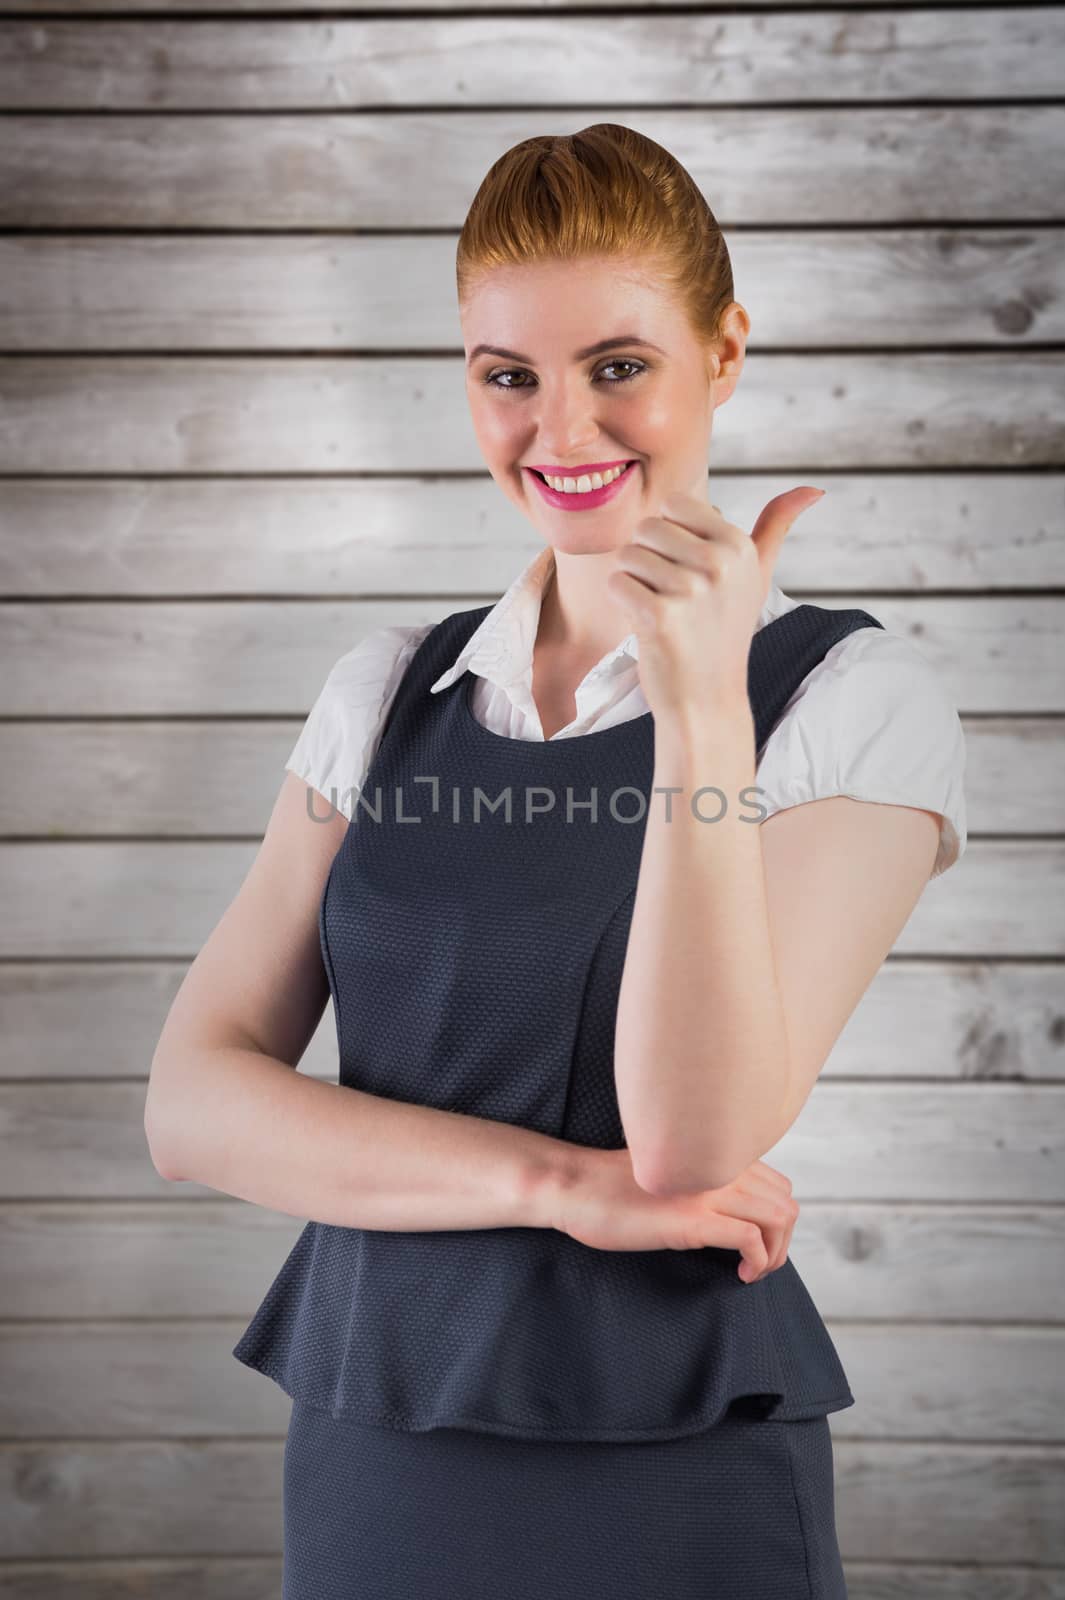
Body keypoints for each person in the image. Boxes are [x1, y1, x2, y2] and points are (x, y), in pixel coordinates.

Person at [145, 124, 967, 1598]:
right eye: (508, 376)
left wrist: (702, 707)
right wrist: (556, 1187)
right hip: (371, 1427)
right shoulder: (387, 691)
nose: (562, 432)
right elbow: (195, 1107)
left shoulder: (848, 702)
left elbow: (696, 1139)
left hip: (672, 1454)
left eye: (617, 365)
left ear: (722, 353)